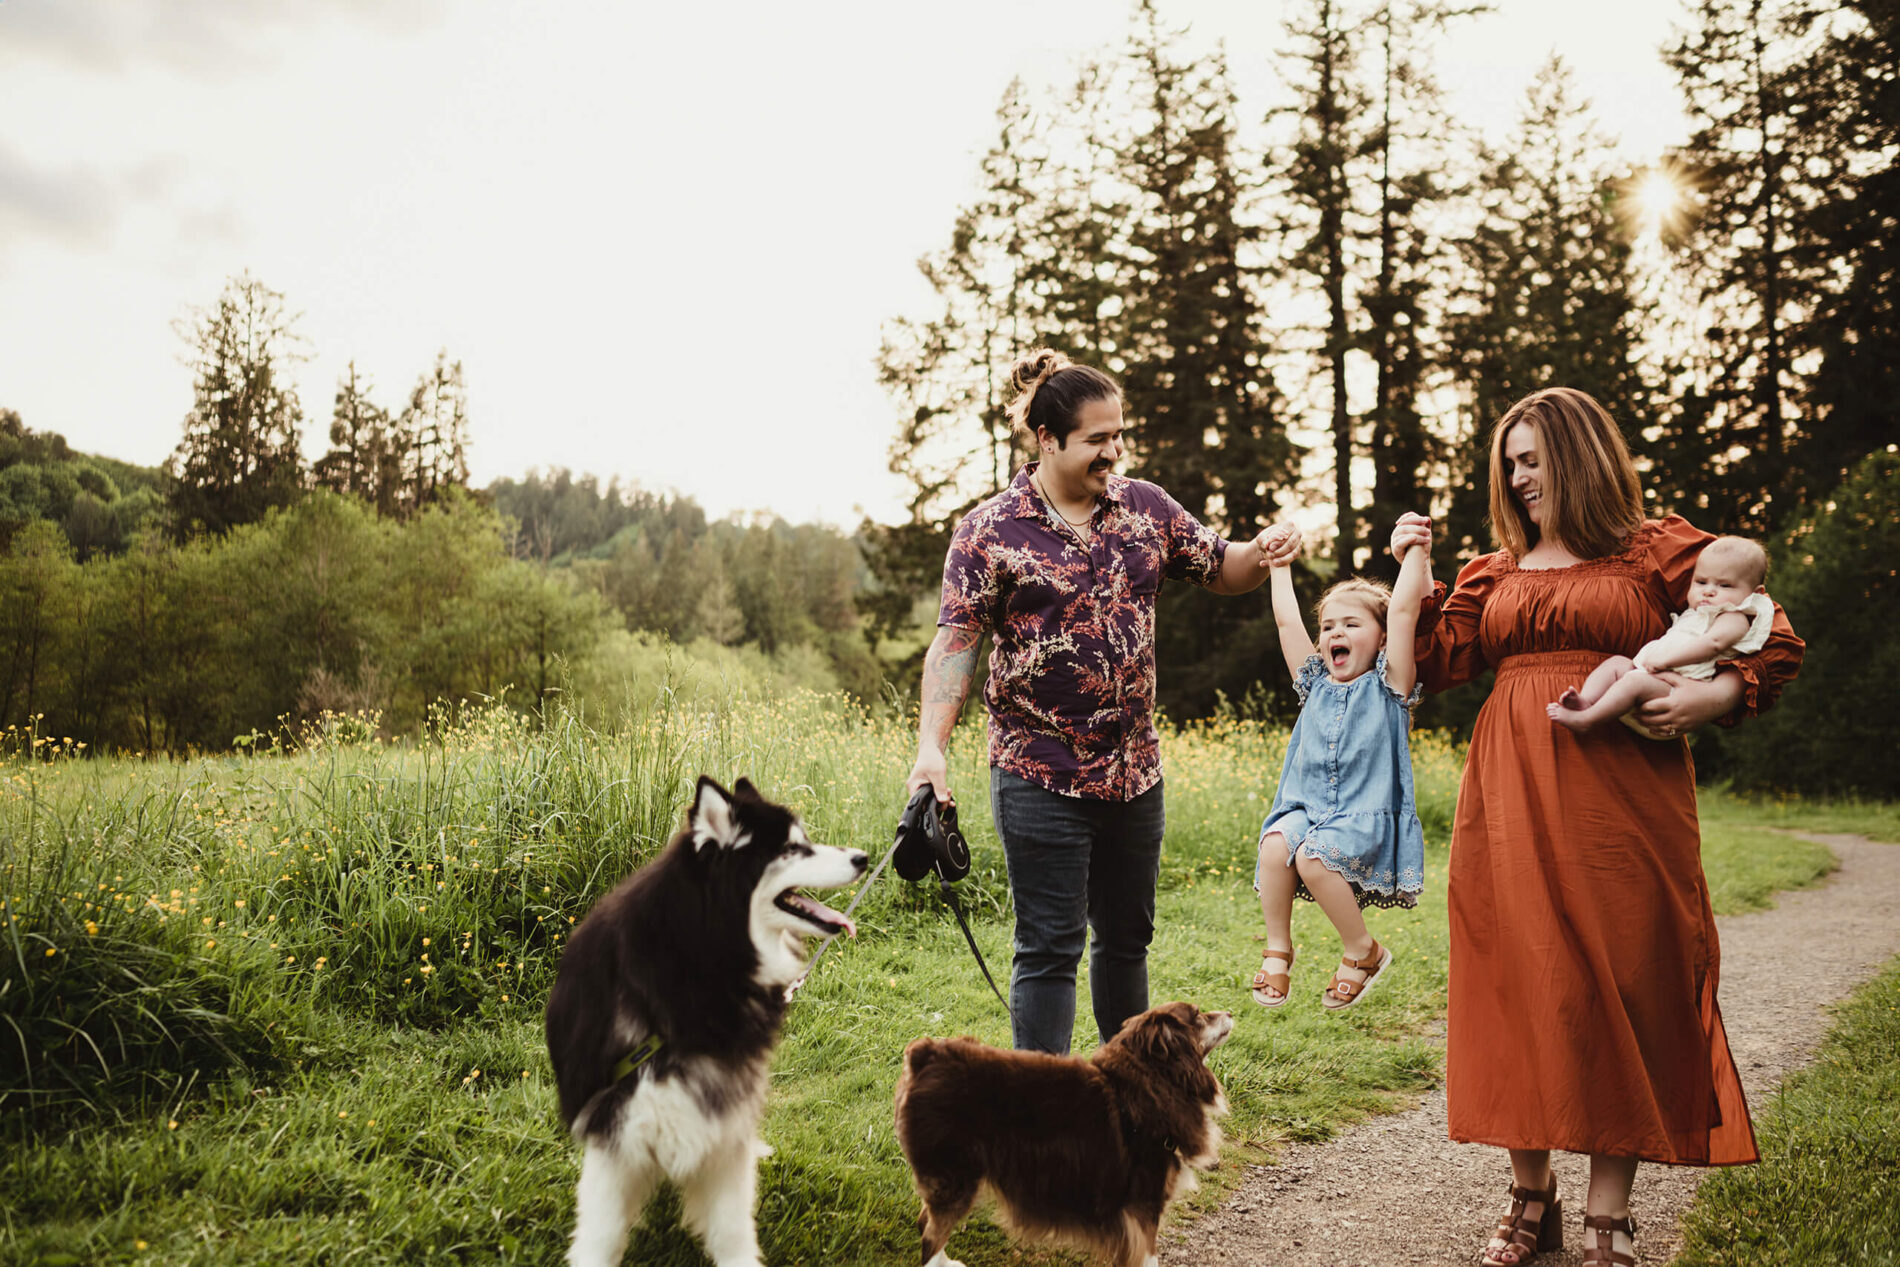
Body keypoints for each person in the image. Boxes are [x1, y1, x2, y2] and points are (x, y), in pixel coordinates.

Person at [1394, 388, 1803, 1267]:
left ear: (1578, 455)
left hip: (1627, 795)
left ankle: (1607, 1209)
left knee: (1629, 974)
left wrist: (1710, 693)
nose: (1518, 475)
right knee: (1519, 976)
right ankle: (1529, 1189)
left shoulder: (1658, 549)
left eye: (1533, 457)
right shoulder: (1495, 568)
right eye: (1509, 461)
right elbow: (1428, 662)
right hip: (1509, 790)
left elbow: (1768, 630)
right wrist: (1409, 569)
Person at [906, 347, 1297, 1056]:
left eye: (1118, 435)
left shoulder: (1144, 508)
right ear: (1047, 437)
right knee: (1050, 947)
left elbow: (1222, 566)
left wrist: (1262, 547)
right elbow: (956, 643)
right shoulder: (989, 530)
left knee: (1126, 942)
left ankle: (1132, 1105)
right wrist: (931, 746)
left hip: (1134, 774)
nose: (1113, 451)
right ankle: (1045, 1119)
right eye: (1097, 439)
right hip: (1038, 772)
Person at [1249, 528, 1430, 1012]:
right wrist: (1280, 567)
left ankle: (1362, 951)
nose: (1336, 634)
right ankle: (1278, 951)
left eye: (1352, 625)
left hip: (1359, 816)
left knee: (1313, 857)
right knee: (1274, 846)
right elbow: (1288, 624)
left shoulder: (1391, 684)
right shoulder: (1314, 684)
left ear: (1382, 638)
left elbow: (1406, 610)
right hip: (1305, 809)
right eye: (1329, 626)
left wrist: (1416, 551)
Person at [1546, 535, 1774, 735]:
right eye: (1701, 582)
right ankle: (1586, 700)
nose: (1709, 590)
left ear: (1755, 595)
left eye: (1725, 585)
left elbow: (1712, 643)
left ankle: (1587, 720)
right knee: (1616, 664)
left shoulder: (1735, 617)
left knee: (1633, 682)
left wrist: (1666, 660)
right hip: (1651, 677)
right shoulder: (1694, 613)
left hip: (1675, 692)